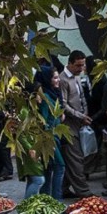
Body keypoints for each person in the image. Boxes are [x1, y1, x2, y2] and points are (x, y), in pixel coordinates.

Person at [59, 50, 94, 198]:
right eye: (78, 66)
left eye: (83, 65)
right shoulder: (63, 80)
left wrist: (84, 114)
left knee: (73, 159)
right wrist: (81, 116)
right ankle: (84, 193)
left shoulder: (77, 77)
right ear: (70, 63)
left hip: (79, 124)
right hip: (68, 127)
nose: (81, 69)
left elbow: (82, 97)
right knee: (76, 160)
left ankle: (64, 188)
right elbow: (63, 105)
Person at [35, 66, 65, 201]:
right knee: (60, 166)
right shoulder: (46, 97)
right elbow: (44, 122)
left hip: (54, 137)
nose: (58, 80)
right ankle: (57, 201)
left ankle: (46, 201)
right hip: (50, 138)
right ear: (47, 79)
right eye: (55, 77)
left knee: (49, 169)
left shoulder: (52, 94)